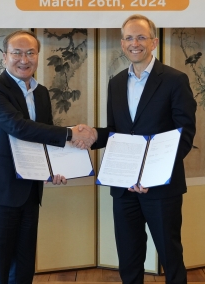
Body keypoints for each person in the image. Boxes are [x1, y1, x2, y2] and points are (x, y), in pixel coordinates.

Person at [0, 30, 96, 284]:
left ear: (38, 56)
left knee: (25, 266)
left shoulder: (41, 93)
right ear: (4, 56)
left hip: (30, 188)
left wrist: (55, 168)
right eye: (17, 53)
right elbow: (19, 127)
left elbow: (45, 138)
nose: (24, 59)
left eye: (30, 53)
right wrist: (72, 133)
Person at [82, 15, 196, 284]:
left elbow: (185, 135)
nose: (135, 43)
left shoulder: (175, 80)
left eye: (141, 37)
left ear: (154, 42)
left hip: (160, 187)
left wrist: (150, 175)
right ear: (122, 44)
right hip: (124, 188)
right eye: (129, 38)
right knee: (129, 258)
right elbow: (117, 132)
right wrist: (93, 135)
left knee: (171, 256)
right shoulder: (116, 82)